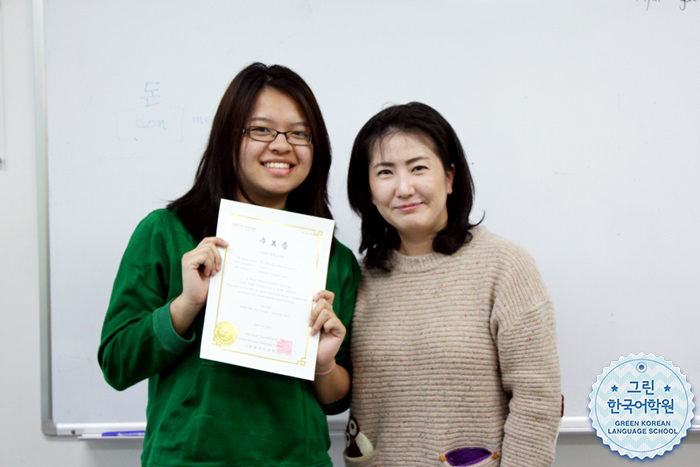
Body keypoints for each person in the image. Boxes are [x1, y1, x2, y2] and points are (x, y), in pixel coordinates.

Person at [98, 63, 359, 467]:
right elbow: (117, 363)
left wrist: (323, 363)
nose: (281, 145)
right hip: (187, 459)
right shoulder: (166, 233)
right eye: (261, 130)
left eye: (299, 133)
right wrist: (185, 306)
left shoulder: (332, 258)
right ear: (227, 138)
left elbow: (336, 399)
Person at [344, 102, 561, 466]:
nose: (403, 187)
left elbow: (537, 401)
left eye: (418, 168)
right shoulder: (358, 277)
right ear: (367, 188)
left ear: (449, 177)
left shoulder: (505, 266)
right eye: (385, 172)